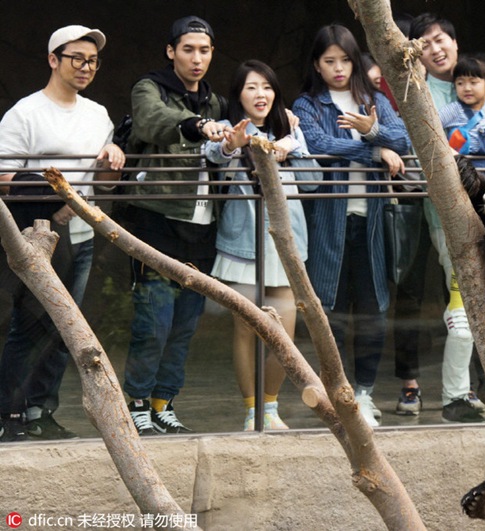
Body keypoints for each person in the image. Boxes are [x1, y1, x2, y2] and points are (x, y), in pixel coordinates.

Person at [0, 25, 124, 441]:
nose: (86, 67)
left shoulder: (98, 115)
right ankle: (10, 414)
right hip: (36, 236)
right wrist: (56, 199)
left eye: (92, 61)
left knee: (65, 328)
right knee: (30, 325)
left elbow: (102, 185)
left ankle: (41, 410)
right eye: (77, 58)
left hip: (82, 236)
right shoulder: (25, 112)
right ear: (54, 59)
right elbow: (3, 176)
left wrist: (111, 161)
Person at [292, 24, 410, 428]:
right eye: (329, 61)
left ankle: (365, 393)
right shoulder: (308, 104)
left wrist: (374, 131)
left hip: (371, 220)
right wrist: (375, 150)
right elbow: (316, 144)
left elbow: (404, 140)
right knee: (332, 311)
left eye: (345, 59)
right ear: (317, 65)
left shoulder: (373, 99)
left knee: (374, 311)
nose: (339, 68)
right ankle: (338, 395)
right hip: (329, 220)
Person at [123, 15, 229, 435]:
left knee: (185, 325)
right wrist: (196, 126)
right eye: (188, 49)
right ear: (171, 51)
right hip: (157, 219)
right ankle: (136, 404)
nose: (197, 58)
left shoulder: (215, 100)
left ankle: (164, 402)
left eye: (204, 50)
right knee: (153, 323)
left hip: (202, 225)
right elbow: (151, 120)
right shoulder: (150, 87)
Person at [206, 60, 320, 431]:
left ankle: (271, 408)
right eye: (251, 87)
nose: (260, 94)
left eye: (267, 87)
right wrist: (232, 147)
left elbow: (315, 181)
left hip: (286, 241)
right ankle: (252, 410)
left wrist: (292, 150)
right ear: (238, 94)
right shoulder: (228, 128)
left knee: (283, 331)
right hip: (243, 241)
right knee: (245, 329)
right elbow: (214, 160)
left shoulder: (289, 130)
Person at [407, 13, 485, 423]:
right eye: (424, 43)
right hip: (449, 220)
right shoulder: (418, 91)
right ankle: (455, 395)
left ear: (455, 42)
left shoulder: (484, 86)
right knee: (462, 310)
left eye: (441, 40)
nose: (436, 49)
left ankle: (473, 392)